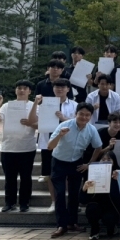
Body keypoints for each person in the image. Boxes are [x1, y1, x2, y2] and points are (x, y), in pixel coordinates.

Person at [48, 103, 104, 238]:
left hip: (76, 163)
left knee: (74, 194)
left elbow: (98, 147)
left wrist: (89, 163)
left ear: (90, 116)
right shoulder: (64, 126)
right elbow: (50, 146)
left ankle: (72, 223)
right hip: (59, 162)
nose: (84, 117)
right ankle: (61, 225)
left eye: (87, 115)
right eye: (81, 114)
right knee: (60, 193)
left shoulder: (91, 129)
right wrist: (59, 136)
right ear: (76, 114)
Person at [28, 78, 78, 212]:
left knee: (69, 174)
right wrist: (35, 103)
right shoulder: (44, 104)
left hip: (69, 144)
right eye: (57, 87)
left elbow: (80, 125)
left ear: (68, 89)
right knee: (50, 173)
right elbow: (32, 120)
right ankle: (55, 202)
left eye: (63, 87)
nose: (59, 89)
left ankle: (69, 202)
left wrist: (64, 119)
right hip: (48, 143)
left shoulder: (74, 105)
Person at [0, 81, 36, 212]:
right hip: (8, 147)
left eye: (25, 88)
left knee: (26, 177)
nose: (22, 90)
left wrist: (30, 124)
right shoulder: (6, 106)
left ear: (29, 91)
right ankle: (9, 202)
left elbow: (40, 125)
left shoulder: (34, 106)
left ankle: (24, 203)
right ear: (16, 90)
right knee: (9, 178)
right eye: (19, 88)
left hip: (27, 147)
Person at [82, 152, 120, 240]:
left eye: (109, 160)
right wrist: (84, 189)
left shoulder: (118, 174)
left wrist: (117, 181)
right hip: (96, 205)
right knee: (92, 208)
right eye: (103, 160)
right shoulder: (91, 174)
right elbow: (83, 200)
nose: (106, 162)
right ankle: (95, 229)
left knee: (109, 219)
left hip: (111, 206)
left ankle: (112, 227)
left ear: (114, 162)